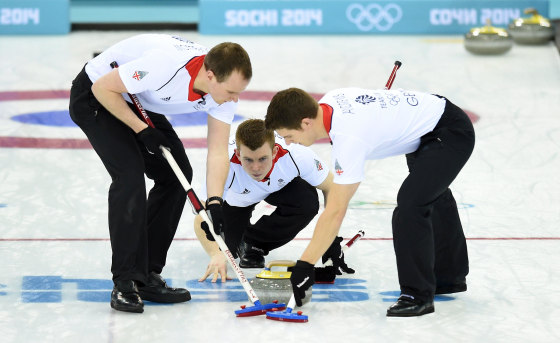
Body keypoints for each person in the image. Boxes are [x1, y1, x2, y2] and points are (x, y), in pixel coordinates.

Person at [68, 34, 252, 313]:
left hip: (136, 97)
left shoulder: (224, 93)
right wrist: (142, 131)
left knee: (177, 176)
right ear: (210, 75)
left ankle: (146, 275)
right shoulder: (165, 65)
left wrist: (215, 202)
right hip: (98, 95)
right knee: (129, 176)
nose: (235, 99)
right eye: (231, 92)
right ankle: (126, 280)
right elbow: (104, 88)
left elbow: (216, 152)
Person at [265, 87, 475, 317]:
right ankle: (447, 278)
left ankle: (417, 295)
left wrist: (305, 265)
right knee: (429, 192)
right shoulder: (330, 102)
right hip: (427, 126)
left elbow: (336, 209)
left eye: (288, 136)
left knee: (411, 205)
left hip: (449, 131)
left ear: (306, 123)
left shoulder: (349, 136)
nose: (288, 142)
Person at [193, 119, 338, 282]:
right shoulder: (223, 166)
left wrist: (330, 238)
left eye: (262, 159)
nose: (256, 168)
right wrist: (217, 253)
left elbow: (332, 188)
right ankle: (237, 242)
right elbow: (201, 220)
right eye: (248, 160)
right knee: (227, 250)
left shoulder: (296, 155)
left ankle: (253, 243)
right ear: (239, 154)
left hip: (278, 187)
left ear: (275, 152)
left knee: (307, 202)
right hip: (238, 201)